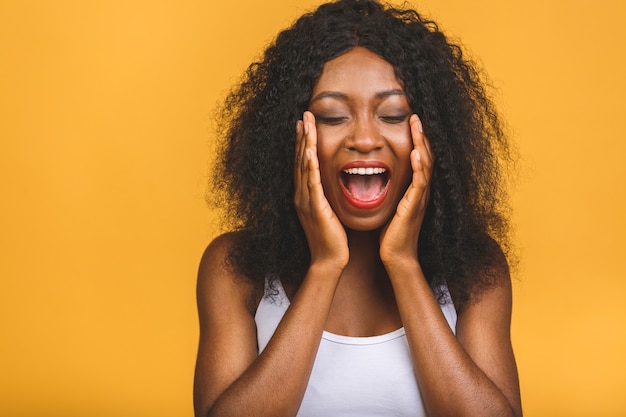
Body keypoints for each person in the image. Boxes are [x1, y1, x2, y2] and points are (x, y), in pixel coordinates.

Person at [193, 0, 522, 415]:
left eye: (393, 114)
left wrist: (403, 264)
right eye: (332, 116)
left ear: (433, 137)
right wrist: (324, 266)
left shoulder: (476, 271)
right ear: (290, 138)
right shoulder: (236, 269)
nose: (364, 138)